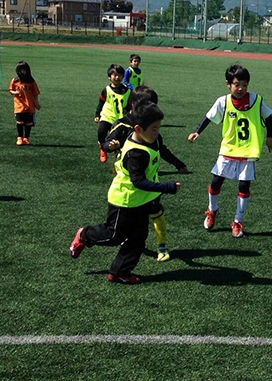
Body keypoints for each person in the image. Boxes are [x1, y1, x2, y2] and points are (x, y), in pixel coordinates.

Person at [69, 101, 180, 284]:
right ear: (138, 128)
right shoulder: (136, 153)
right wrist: (166, 187)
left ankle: (120, 271)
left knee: (138, 238)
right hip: (125, 200)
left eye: (158, 127)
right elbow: (138, 182)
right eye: (154, 128)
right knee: (114, 235)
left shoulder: (147, 139)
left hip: (141, 201)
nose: (157, 132)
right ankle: (84, 234)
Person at [187, 64, 272, 238]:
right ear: (228, 84)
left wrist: (270, 137)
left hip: (248, 151)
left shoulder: (256, 100)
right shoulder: (223, 101)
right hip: (228, 149)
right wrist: (197, 131)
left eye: (244, 84)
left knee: (244, 186)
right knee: (216, 182)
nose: (241, 88)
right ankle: (212, 211)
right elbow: (209, 117)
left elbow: (268, 116)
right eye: (237, 84)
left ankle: (237, 221)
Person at [104, 85, 188, 262]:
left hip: (150, 184)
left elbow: (162, 149)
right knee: (130, 222)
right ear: (134, 104)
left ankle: (162, 247)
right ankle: (127, 241)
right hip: (130, 185)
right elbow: (107, 142)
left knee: (156, 214)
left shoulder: (152, 130)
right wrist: (109, 146)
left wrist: (177, 164)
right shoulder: (121, 125)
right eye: (149, 104)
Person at [94, 63, 130, 163]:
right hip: (107, 116)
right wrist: (97, 115)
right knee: (101, 132)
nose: (117, 77)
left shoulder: (127, 91)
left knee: (119, 142)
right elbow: (101, 103)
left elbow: (128, 106)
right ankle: (102, 147)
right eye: (114, 75)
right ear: (109, 77)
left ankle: (117, 161)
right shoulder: (106, 90)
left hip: (120, 120)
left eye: (119, 75)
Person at [8, 61, 40, 146]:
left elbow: (35, 93)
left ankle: (26, 138)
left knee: (28, 123)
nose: (22, 72)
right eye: (20, 70)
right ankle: (20, 137)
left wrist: (37, 103)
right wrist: (15, 92)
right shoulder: (15, 80)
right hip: (19, 105)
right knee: (19, 122)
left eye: (23, 70)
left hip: (29, 106)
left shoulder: (31, 81)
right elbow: (10, 90)